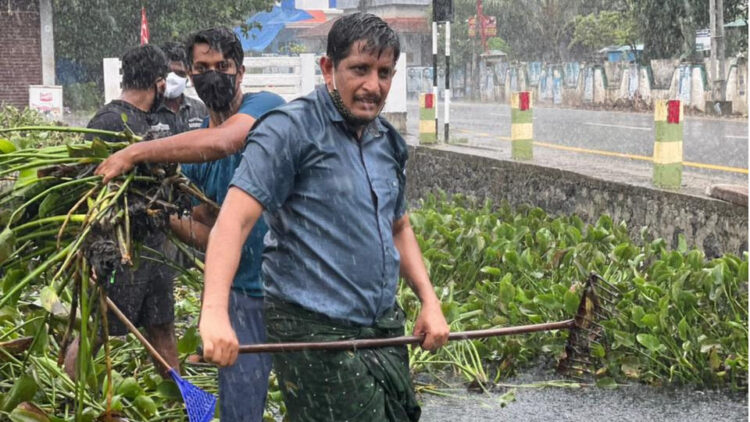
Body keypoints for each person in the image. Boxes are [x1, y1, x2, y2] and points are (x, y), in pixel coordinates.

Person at [198, 13, 450, 422]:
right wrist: (214, 313)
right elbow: (233, 222)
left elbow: (398, 225)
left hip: (382, 327)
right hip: (314, 327)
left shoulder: (387, 141)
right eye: (360, 70)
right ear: (328, 68)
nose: (373, 86)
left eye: (384, 73)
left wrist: (429, 301)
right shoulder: (289, 131)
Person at [167, 27, 285, 421]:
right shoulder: (194, 149)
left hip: (293, 288)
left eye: (223, 66)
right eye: (202, 67)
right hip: (240, 294)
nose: (213, 74)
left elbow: (226, 141)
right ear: (189, 74)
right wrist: (162, 218)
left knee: (312, 398)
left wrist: (136, 153)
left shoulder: (267, 107)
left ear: (241, 71)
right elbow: (209, 231)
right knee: (241, 408)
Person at [64, 44, 179, 379]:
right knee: (96, 328)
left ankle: (181, 403)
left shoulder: (153, 120)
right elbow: (88, 189)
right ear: (158, 82)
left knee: (162, 326)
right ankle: (69, 397)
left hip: (155, 247)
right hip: (120, 249)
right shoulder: (109, 121)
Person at [153, 42, 208, 137]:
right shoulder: (148, 110)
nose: (172, 78)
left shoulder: (200, 109)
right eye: (167, 72)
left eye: (179, 73)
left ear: (188, 75)